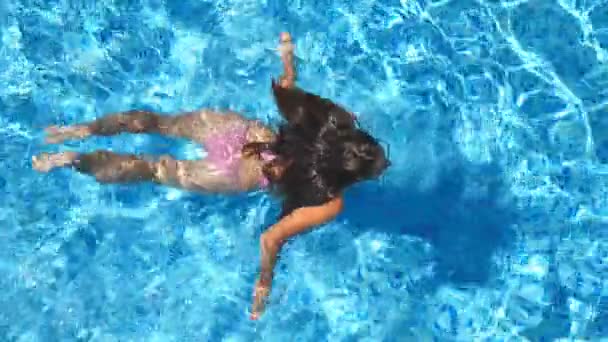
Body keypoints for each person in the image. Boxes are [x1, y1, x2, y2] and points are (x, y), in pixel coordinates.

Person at [32, 32, 390, 319]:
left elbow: (287, 90)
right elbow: (270, 239)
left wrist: (288, 58)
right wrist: (264, 283)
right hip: (237, 172)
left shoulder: (336, 120)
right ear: (348, 177)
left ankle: (78, 130)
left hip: (242, 134)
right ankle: (71, 159)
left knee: (159, 123)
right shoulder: (330, 200)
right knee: (151, 169)